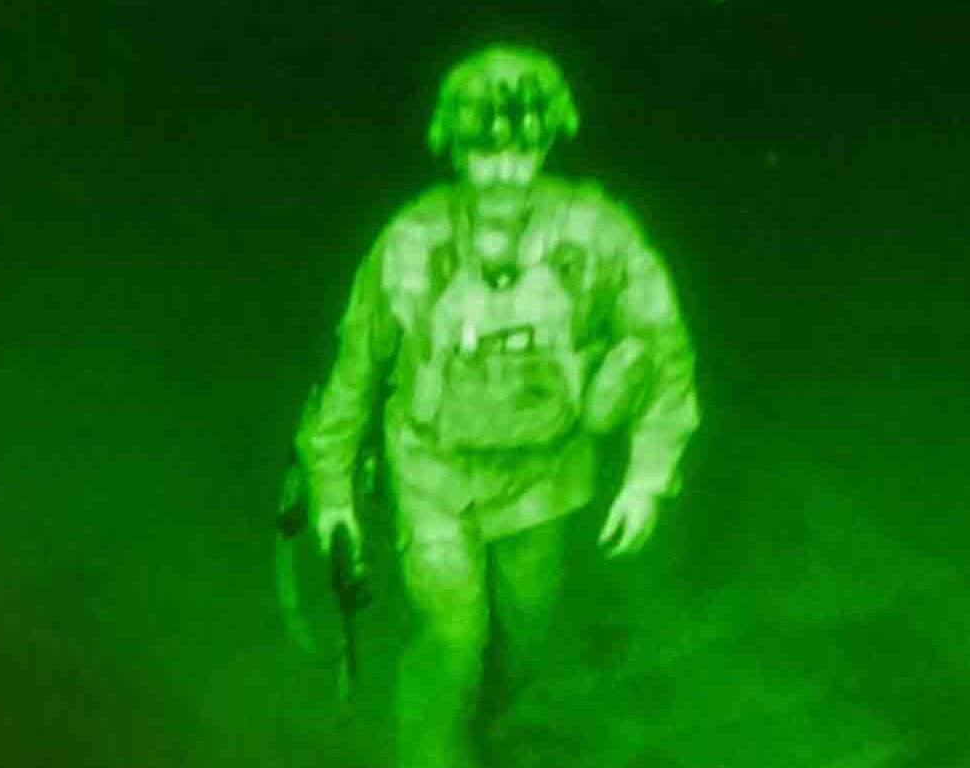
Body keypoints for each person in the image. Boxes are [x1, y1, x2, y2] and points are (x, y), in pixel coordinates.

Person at [294, 43, 700, 768]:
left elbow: (661, 346)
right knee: (452, 638)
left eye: (523, 150)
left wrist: (648, 474)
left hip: (544, 480)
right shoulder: (412, 241)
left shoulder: (597, 234)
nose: (505, 172)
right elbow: (356, 366)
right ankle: (434, 753)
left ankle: (476, 728)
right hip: (434, 473)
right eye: (486, 154)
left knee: (524, 641)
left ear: (547, 143)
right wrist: (331, 493)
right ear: (456, 152)